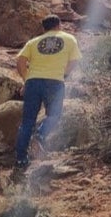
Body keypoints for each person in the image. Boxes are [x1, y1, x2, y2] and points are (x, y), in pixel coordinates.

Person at [14, 14, 81, 170]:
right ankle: (41, 134)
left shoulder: (33, 42)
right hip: (54, 82)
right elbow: (75, 60)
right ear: (59, 25)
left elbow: (20, 61)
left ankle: (20, 159)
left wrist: (26, 79)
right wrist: (64, 74)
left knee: (27, 122)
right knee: (54, 115)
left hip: (33, 82)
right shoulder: (69, 39)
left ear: (44, 28)